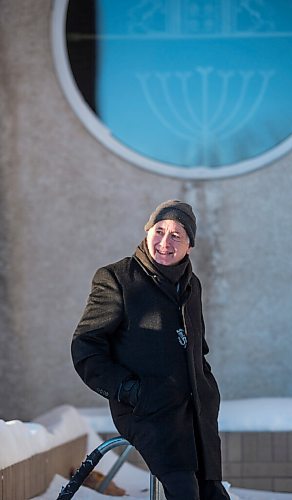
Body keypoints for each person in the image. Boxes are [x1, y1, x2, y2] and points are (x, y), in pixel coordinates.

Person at [71, 200, 231, 500]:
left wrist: (208, 392)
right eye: (159, 231)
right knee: (185, 491)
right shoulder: (117, 278)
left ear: (189, 246)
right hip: (146, 410)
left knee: (214, 493)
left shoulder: (191, 285)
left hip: (194, 413)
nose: (165, 242)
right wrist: (130, 391)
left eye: (176, 235)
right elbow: (85, 347)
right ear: (147, 232)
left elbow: (198, 349)